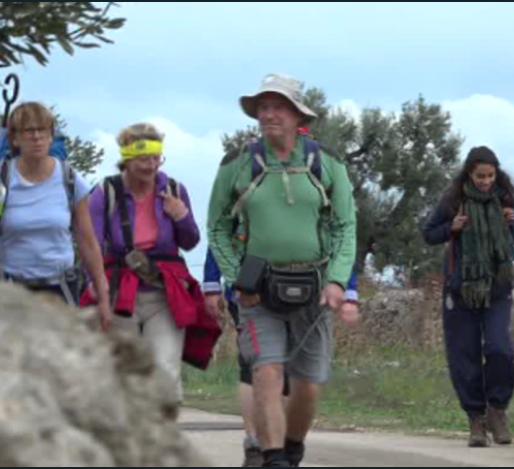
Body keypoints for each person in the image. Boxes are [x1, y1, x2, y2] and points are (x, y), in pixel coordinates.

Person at [207, 73, 358, 467]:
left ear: (296, 114)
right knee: (267, 371)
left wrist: (338, 281)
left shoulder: (328, 164)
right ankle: (273, 457)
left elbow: (345, 226)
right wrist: (238, 278)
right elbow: (218, 226)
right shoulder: (237, 165)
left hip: (314, 287)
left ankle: (292, 448)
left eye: (277, 106)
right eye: (263, 107)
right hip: (258, 293)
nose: (268, 114)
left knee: (308, 385)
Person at [80, 122, 215, 402]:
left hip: (165, 293)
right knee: (123, 372)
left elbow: (190, 242)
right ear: (127, 159)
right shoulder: (105, 194)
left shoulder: (175, 190)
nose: (151, 166)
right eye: (144, 159)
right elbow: (90, 243)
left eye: (156, 158)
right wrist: (95, 282)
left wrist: (181, 217)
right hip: (120, 292)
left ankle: (162, 436)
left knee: (165, 370)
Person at [203, 247, 361, 467]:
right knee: (261, 368)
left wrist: (348, 289)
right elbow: (222, 231)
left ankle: (283, 444)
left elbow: (341, 233)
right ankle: (261, 447)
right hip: (252, 290)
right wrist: (214, 283)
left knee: (296, 375)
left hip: (309, 290)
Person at [0, 102, 111, 326]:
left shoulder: (69, 178)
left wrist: (103, 294)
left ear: (51, 136)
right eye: (29, 131)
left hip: (59, 290)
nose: (37, 137)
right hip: (7, 288)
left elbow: (87, 240)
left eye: (43, 130)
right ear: (15, 138)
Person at [421, 146, 514, 448]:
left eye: (490, 175)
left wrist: (512, 223)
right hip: (460, 289)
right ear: (469, 173)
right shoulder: (453, 201)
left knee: (500, 349)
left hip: (497, 288)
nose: (485, 181)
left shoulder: (504, 199)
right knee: (464, 356)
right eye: (480, 176)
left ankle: (497, 410)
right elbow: (429, 233)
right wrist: (451, 228)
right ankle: (476, 421)